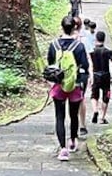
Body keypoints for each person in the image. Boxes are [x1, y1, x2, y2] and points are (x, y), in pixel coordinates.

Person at [47, 15, 89, 161]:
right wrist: (83, 83)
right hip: (75, 85)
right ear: (74, 28)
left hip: (58, 85)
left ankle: (63, 149)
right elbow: (85, 66)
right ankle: (72, 141)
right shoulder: (79, 46)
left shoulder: (54, 45)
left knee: (59, 116)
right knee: (73, 115)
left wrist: (51, 82)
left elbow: (50, 65)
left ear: (61, 27)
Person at [90, 30, 112, 124]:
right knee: (106, 95)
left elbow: (89, 63)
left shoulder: (92, 51)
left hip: (95, 75)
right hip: (105, 75)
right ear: (104, 39)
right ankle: (102, 118)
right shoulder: (108, 51)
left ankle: (95, 110)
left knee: (94, 95)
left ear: (96, 39)